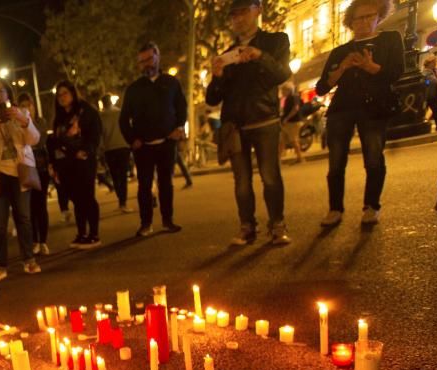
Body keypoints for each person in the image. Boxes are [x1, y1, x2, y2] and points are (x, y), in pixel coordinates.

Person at [206, 0, 293, 246]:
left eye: (243, 12)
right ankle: (247, 227)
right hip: (235, 125)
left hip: (265, 119)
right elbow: (212, 98)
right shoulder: (228, 54)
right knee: (241, 181)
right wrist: (217, 76)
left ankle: (277, 225)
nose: (238, 19)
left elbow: (281, 74)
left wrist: (259, 56)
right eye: (234, 15)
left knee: (270, 176)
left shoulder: (275, 42)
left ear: (257, 11)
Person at [315, 0, 403, 227]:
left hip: (374, 107)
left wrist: (370, 67)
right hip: (342, 109)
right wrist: (342, 67)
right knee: (335, 162)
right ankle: (335, 209)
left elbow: (396, 73)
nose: (363, 22)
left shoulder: (390, 39)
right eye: (358, 18)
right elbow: (321, 88)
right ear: (350, 21)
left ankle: (371, 206)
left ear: (379, 16)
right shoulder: (340, 51)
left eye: (369, 16)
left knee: (373, 158)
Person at [0, 76, 41, 283]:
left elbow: (34, 139)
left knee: (24, 218)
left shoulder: (22, 113)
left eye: (2, 91)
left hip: (20, 172)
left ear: (8, 94)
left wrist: (23, 121)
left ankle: (28, 259)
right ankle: (0, 265)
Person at [120, 43, 187, 237]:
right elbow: (124, 119)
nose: (146, 65)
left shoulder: (171, 83)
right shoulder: (133, 89)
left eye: (149, 59)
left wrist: (179, 127)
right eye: (142, 62)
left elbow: (181, 108)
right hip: (144, 146)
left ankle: (168, 220)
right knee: (144, 185)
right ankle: (145, 223)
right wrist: (132, 139)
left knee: (166, 183)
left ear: (157, 56)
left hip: (167, 143)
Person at [51, 80, 103, 249]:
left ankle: (94, 234)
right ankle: (81, 233)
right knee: (77, 199)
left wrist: (86, 151)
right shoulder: (59, 118)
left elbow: (95, 135)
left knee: (87, 196)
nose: (62, 97)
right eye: (59, 95)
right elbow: (56, 141)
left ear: (73, 93)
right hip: (67, 163)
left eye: (65, 93)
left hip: (83, 160)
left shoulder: (86, 112)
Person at [17, 92, 52, 254]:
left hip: (41, 168)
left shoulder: (40, 122)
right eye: (22, 106)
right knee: (29, 207)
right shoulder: (17, 124)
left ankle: (43, 240)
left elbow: (40, 140)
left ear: (33, 106)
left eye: (28, 105)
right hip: (25, 168)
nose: (26, 108)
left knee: (41, 205)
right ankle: (35, 241)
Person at [100, 96, 133, 215]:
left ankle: (121, 200)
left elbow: (100, 135)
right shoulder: (119, 112)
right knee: (123, 176)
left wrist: (101, 148)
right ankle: (123, 203)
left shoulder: (101, 116)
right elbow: (128, 127)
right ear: (111, 101)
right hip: (123, 146)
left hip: (109, 149)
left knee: (115, 176)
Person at [279, 83, 305, 162]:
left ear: (288, 90)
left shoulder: (294, 97)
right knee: (282, 141)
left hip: (293, 122)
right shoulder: (287, 98)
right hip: (288, 122)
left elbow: (295, 109)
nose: (282, 92)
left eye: (283, 90)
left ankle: (300, 158)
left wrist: (287, 118)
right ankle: (277, 160)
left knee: (293, 140)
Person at [422, 56, 437, 130]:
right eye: (434, 62)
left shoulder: (433, 71)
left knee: (436, 109)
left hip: (434, 94)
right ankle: (434, 123)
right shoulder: (425, 72)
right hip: (429, 94)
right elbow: (425, 82)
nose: (435, 64)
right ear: (429, 63)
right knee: (431, 109)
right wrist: (428, 83)